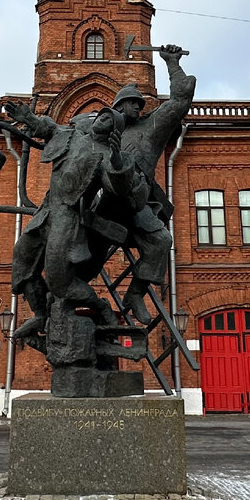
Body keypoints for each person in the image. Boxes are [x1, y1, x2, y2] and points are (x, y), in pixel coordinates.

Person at [6, 106, 138, 342]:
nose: (101, 119)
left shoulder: (107, 155)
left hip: (68, 220)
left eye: (108, 119)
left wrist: (118, 162)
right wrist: (28, 117)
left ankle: (101, 307)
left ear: (114, 130)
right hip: (46, 211)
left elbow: (117, 189)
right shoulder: (72, 135)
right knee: (22, 258)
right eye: (101, 115)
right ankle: (40, 314)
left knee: (60, 283)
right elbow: (48, 127)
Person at [110, 43, 196, 323]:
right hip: (104, 197)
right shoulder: (99, 129)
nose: (137, 105)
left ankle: (135, 293)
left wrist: (172, 63)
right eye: (131, 101)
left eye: (139, 102)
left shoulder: (152, 126)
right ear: (118, 106)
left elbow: (181, 100)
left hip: (136, 200)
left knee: (161, 240)